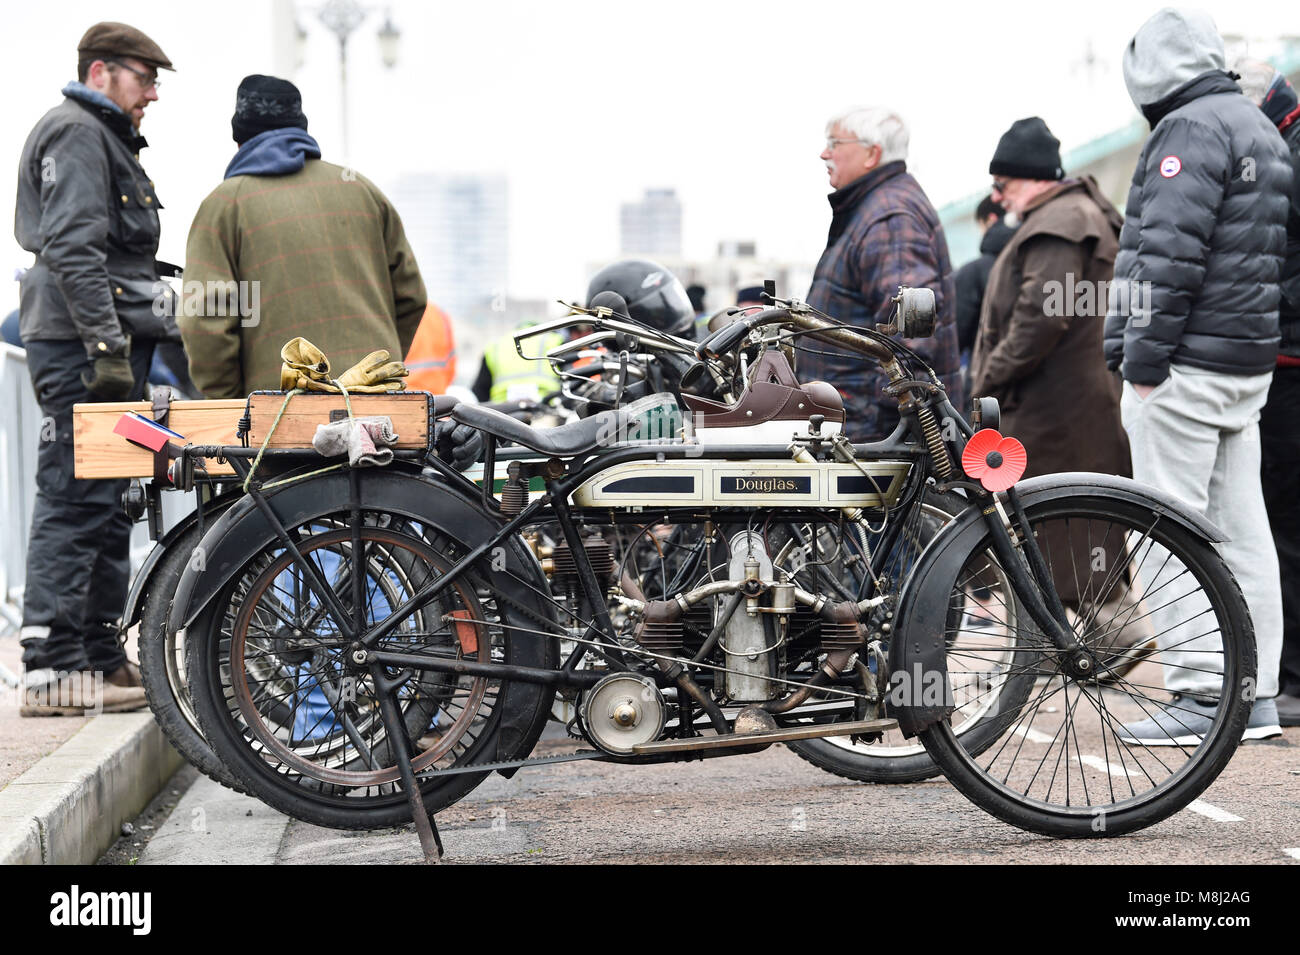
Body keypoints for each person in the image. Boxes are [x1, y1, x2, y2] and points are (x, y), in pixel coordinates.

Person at [1103, 8, 1289, 742]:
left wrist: (1143, 361)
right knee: (1245, 532)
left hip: (1182, 367)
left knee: (1164, 528)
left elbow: (1168, 257)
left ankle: (1200, 695)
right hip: (1245, 366)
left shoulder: (1186, 131)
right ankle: (1257, 693)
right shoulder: (1257, 128)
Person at [13, 22, 179, 715]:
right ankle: (51, 669)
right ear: (104, 71)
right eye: (146, 78)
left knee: (110, 499)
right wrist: (109, 349)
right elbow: (77, 252)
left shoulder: (99, 135)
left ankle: (99, 658)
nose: (153, 95)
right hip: (84, 347)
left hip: (98, 341)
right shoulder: (79, 132)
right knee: (75, 494)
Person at [970, 117, 1145, 675]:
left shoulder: (1061, 222)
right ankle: (1068, 647)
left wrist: (990, 378)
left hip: (1056, 409)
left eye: (1005, 183)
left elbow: (1039, 319)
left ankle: (1107, 639)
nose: (998, 196)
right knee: (1063, 525)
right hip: (1069, 405)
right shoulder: (1069, 216)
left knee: (1058, 523)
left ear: (1034, 177)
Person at [179, 75, 426, 397]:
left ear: (239, 138)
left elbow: (205, 320)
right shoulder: (362, 190)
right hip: (378, 404)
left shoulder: (225, 204)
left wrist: (232, 401)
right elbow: (411, 296)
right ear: (301, 127)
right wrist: (375, 367)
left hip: (280, 413)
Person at [803, 106, 963, 441]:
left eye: (834, 142)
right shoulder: (878, 208)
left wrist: (881, 431)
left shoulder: (890, 218)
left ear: (872, 153)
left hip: (871, 436)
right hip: (864, 427)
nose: (824, 153)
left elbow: (911, 338)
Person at [1236, 60, 1300, 727]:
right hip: (1281, 354)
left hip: (1288, 359)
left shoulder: (1285, 152)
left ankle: (1291, 679)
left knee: (1283, 521)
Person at [953, 195, 1014, 382]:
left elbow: (957, 338)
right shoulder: (1041, 259)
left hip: (987, 379)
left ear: (991, 219)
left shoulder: (973, 271)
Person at [404, 302, 457, 394]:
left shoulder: (393, 312)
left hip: (402, 398)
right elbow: (451, 366)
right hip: (437, 398)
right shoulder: (440, 313)